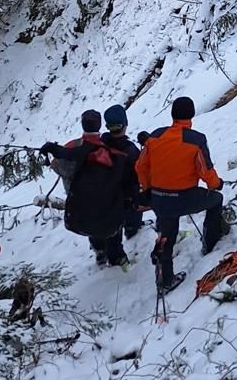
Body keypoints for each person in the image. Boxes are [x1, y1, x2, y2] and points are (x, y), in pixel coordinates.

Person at [137, 96, 226, 295]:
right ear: (191, 115)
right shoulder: (196, 139)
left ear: (172, 114)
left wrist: (148, 188)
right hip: (185, 197)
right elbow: (205, 170)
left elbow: (140, 166)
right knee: (216, 201)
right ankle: (210, 243)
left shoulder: (155, 137)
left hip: (159, 197)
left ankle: (165, 279)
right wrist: (216, 184)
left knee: (167, 233)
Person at [40, 110, 137, 267]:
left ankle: (99, 251)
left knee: (91, 222)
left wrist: (52, 149)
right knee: (110, 227)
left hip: (81, 200)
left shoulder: (76, 147)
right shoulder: (117, 151)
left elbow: (61, 163)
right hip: (109, 201)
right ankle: (117, 258)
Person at [102, 104, 144, 239]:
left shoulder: (100, 144)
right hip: (126, 198)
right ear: (125, 124)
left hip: (106, 195)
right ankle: (132, 227)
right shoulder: (130, 150)